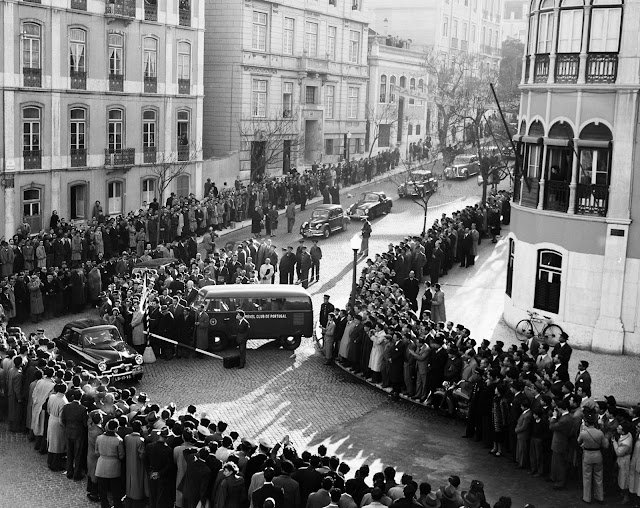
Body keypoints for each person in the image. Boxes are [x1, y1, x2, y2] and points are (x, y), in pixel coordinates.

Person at [578, 411, 608, 504]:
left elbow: (579, 441)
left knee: (587, 477)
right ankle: (600, 497)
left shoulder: (584, 433)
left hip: (587, 454)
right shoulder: (600, 433)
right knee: (598, 477)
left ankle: (587, 497)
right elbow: (605, 445)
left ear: (586, 422)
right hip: (598, 454)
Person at [95, 418, 126, 508]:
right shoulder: (118, 440)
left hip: (101, 465)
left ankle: (104, 505)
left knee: (102, 489)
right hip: (114, 466)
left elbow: (96, 452)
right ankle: (117, 505)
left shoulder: (99, 438)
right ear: (116, 428)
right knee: (115, 489)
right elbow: (121, 455)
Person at [60, 387, 88, 480]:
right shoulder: (83, 409)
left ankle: (69, 471)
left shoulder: (66, 407)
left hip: (68, 432)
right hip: (78, 434)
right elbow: (85, 423)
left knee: (69, 453)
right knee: (78, 454)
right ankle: (77, 474)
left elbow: (63, 420)